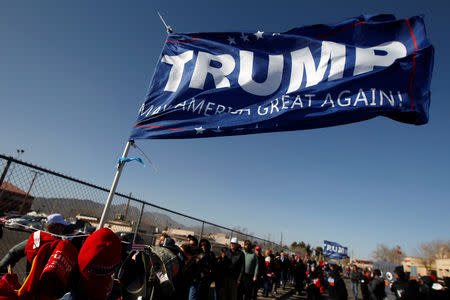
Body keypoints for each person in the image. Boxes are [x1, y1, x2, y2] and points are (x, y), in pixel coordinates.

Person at [0, 213, 69, 275]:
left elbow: (15, 251)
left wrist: (2, 267)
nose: (63, 228)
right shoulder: (60, 242)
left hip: (29, 278)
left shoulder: (38, 236)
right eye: (62, 226)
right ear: (56, 226)